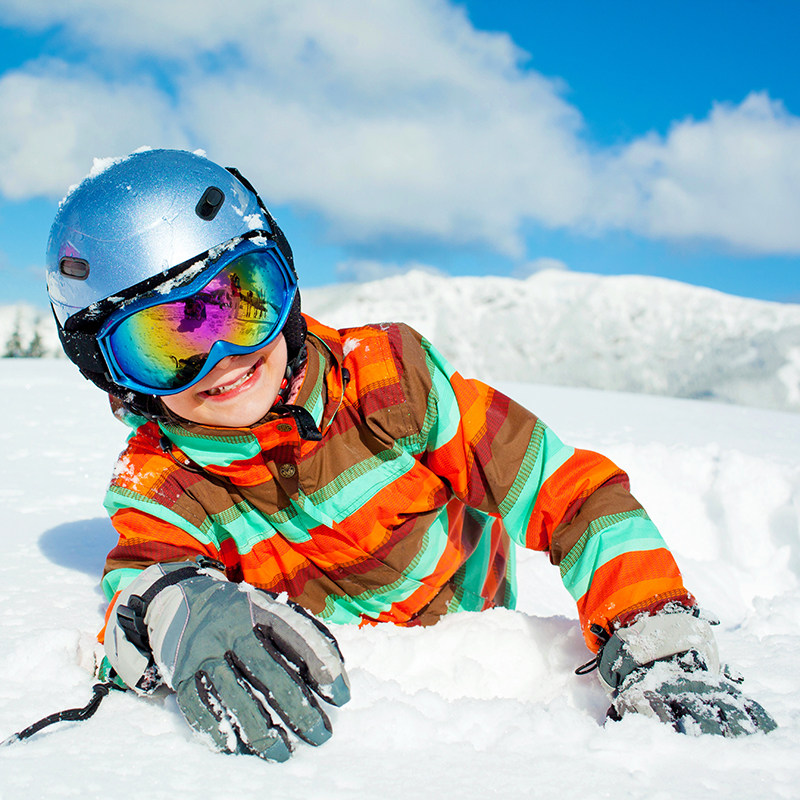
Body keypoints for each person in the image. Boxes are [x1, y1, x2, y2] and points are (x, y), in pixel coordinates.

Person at [45, 149, 776, 761]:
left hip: (482, 659)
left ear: (287, 286)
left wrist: (652, 626)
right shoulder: (163, 483)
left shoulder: (391, 382)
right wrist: (185, 613)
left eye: (242, 302)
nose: (224, 359)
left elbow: (569, 491)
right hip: (372, 708)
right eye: (164, 343)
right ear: (109, 370)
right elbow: (146, 581)